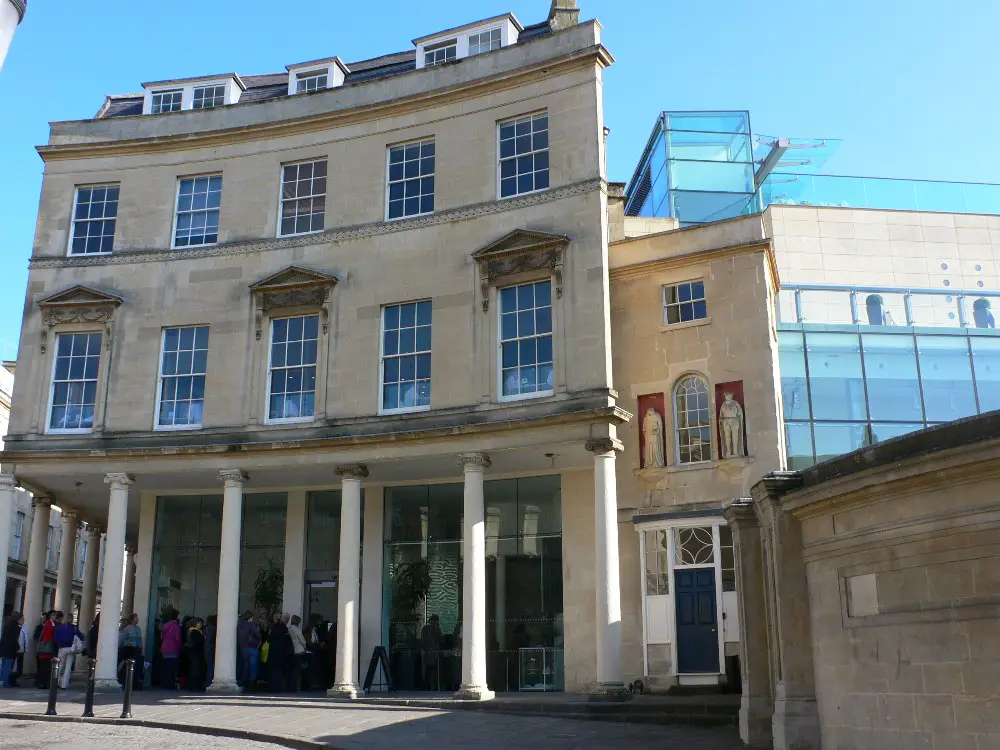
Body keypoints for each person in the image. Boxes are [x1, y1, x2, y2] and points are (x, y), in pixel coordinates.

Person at [54, 611, 86, 689]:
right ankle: (64, 685)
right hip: (71, 649)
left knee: (59, 666)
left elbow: (55, 638)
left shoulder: (59, 628)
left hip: (62, 648)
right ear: (71, 619)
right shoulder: (74, 628)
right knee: (68, 667)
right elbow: (81, 637)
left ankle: (55, 682)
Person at [266, 612, 291, 692]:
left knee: (273, 671)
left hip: (273, 652)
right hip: (281, 653)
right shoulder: (285, 629)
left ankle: (273, 687)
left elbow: (269, 639)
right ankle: (277, 687)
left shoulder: (274, 628)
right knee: (278, 671)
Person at [236, 611, 261, 692]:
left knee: (245, 667)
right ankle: (251, 686)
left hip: (243, 649)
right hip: (252, 648)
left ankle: (243, 683)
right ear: (251, 618)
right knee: (253, 667)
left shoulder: (239, 625)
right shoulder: (251, 625)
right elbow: (258, 635)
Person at [118, 613, 144, 690]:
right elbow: (122, 639)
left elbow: (140, 639)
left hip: (137, 649)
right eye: (136, 618)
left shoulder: (138, 629)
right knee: (129, 666)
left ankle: (135, 683)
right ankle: (127, 683)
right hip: (129, 649)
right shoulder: (127, 629)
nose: (137, 619)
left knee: (137, 666)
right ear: (132, 619)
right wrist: (127, 644)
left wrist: (141, 646)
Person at [159, 608, 181, 689]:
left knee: (165, 667)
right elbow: (177, 638)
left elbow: (161, 637)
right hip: (173, 649)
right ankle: (169, 684)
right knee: (171, 668)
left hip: (164, 648)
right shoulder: (176, 626)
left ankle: (164, 684)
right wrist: (179, 647)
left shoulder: (165, 625)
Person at [184, 618, 208, 692]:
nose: (200, 624)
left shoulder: (192, 630)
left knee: (194, 668)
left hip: (193, 652)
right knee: (195, 668)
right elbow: (198, 643)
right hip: (195, 652)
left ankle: (193, 685)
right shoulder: (195, 631)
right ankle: (193, 685)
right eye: (198, 623)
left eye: (201, 623)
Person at [35, 611, 57, 689]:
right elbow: (48, 635)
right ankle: (43, 683)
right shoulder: (49, 623)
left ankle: (43, 683)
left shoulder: (50, 623)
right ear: (51, 615)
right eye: (54, 615)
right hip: (46, 649)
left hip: (46, 649)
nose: (55, 617)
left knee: (45, 667)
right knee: (45, 668)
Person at [420, 614, 442, 689]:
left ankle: (429, 685)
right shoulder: (429, 629)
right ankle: (429, 685)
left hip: (430, 652)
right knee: (429, 670)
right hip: (430, 652)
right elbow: (439, 639)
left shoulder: (427, 629)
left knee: (430, 670)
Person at [0, 612, 22, 687]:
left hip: (4, 648)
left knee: (4, 665)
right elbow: (14, 639)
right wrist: (17, 648)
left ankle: (2, 680)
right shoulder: (16, 627)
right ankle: (6, 682)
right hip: (10, 650)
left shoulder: (7, 625)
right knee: (8, 666)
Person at [287, 614, 306, 692]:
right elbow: (302, 640)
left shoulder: (289, 628)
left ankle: (291, 686)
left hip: (292, 651)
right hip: (299, 650)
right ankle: (295, 687)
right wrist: (305, 646)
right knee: (297, 670)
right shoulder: (297, 629)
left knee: (292, 669)